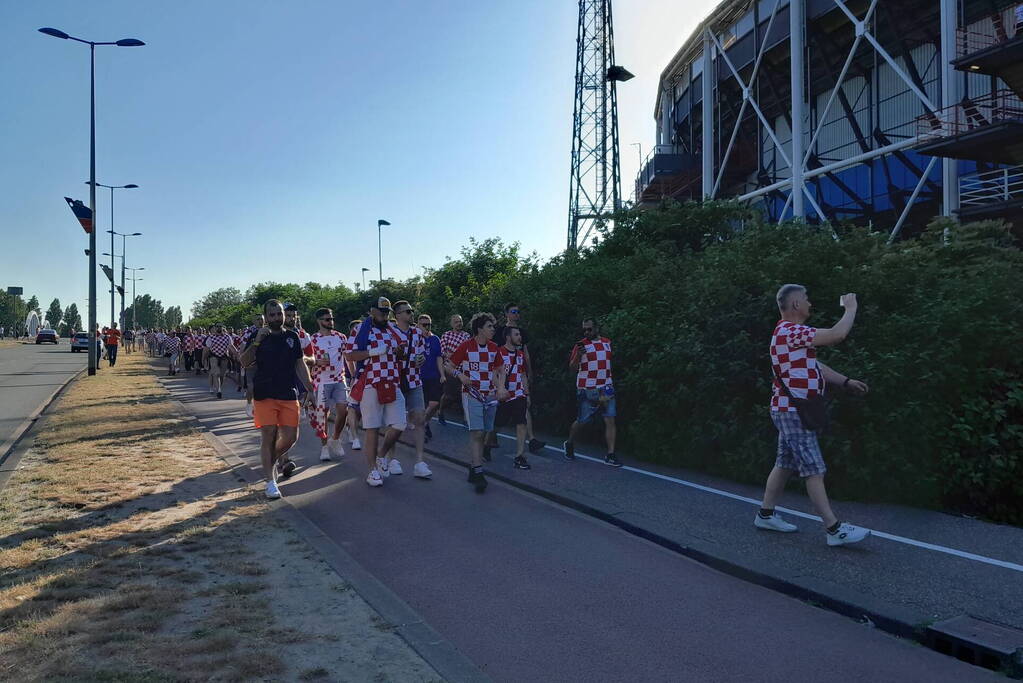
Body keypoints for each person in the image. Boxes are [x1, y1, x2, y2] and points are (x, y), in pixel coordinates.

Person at [754, 285, 871, 547]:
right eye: (806, 299)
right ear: (795, 305)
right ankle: (834, 529)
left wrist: (845, 381)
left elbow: (815, 365)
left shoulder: (787, 334)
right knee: (814, 469)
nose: (810, 303)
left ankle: (766, 514)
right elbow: (836, 335)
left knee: (784, 463)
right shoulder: (790, 330)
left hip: (788, 409)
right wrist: (851, 308)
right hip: (792, 411)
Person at [240, 299, 314, 500]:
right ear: (266, 317)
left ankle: (270, 461)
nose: (277, 318)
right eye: (272, 315)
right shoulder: (258, 335)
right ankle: (270, 482)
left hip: (288, 393)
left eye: (279, 314)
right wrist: (257, 342)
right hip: (265, 394)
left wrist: (310, 388)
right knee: (269, 435)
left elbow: (300, 364)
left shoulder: (292, 336)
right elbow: (244, 361)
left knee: (291, 437)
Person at [346, 297, 408, 488]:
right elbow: (349, 354)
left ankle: (382, 456)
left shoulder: (392, 329)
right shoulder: (359, 329)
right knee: (372, 428)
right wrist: (373, 352)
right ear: (372, 311)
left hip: (392, 382)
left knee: (400, 424)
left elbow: (401, 353)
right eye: (381, 311)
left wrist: (397, 352)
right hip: (370, 384)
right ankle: (372, 470)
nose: (384, 315)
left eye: (387, 312)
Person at [446, 312, 508, 493]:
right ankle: (479, 472)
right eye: (490, 326)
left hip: (489, 395)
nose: (493, 330)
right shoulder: (466, 346)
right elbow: (448, 365)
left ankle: (474, 466)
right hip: (471, 394)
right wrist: (461, 375)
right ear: (480, 329)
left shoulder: (494, 348)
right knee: (477, 432)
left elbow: (500, 369)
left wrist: (501, 387)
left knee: (485, 433)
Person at [382, 300, 432, 479]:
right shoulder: (388, 332)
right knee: (394, 422)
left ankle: (419, 462)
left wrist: (421, 360)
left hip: (414, 380)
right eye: (407, 311)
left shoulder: (417, 333)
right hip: (394, 381)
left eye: (411, 310)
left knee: (419, 418)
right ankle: (391, 458)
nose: (411, 314)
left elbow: (421, 354)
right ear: (397, 315)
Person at [563, 318, 621, 467]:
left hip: (606, 386)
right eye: (584, 330)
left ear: (596, 328)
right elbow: (572, 368)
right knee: (583, 420)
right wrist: (578, 355)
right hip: (587, 387)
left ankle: (611, 454)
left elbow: (608, 363)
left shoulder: (607, 343)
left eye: (589, 329)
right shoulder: (581, 345)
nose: (586, 332)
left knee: (610, 419)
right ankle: (569, 442)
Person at [493, 303, 545, 454]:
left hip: (518, 374)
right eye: (514, 312)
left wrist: (528, 371)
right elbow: (495, 352)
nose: (517, 314)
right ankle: (490, 437)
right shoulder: (501, 331)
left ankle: (531, 439)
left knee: (524, 406)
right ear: (506, 314)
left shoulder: (521, 332)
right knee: (501, 416)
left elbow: (525, 352)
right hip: (504, 376)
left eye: (518, 312)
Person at [306, 307, 349, 462]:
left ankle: (335, 439)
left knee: (343, 410)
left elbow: (348, 357)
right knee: (322, 415)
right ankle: (324, 447)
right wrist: (317, 362)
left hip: (339, 379)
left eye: (331, 318)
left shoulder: (341, 337)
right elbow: (305, 361)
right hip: (321, 381)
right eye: (326, 319)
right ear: (319, 321)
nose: (330, 321)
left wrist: (355, 375)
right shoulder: (313, 340)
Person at [491, 326, 532, 470]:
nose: (519, 337)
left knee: (522, 422)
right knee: (497, 425)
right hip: (504, 395)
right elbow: (493, 373)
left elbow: (522, 375)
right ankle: (486, 444)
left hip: (518, 393)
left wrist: (526, 394)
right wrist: (500, 389)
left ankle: (519, 456)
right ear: (508, 337)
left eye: (519, 334)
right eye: (516, 334)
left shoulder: (520, 354)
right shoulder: (498, 352)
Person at [438, 314, 470, 425]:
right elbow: (442, 352)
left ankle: (466, 419)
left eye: (460, 321)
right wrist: (452, 356)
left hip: (463, 369)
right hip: (450, 369)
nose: (459, 324)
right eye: (456, 322)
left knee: (465, 394)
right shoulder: (447, 335)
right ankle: (440, 412)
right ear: (452, 324)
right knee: (448, 395)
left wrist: (453, 354)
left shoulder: (466, 336)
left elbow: (468, 352)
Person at [417, 314, 445, 441]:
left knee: (435, 403)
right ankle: (422, 428)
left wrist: (442, 374)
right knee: (422, 405)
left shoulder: (435, 339)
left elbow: (439, 357)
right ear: (418, 325)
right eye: (424, 324)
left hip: (433, 375)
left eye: (429, 324)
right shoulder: (415, 338)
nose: (426, 327)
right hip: (419, 376)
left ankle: (423, 423)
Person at [240, 314, 265, 418]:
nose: (260, 321)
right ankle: (249, 403)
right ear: (254, 321)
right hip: (251, 364)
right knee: (251, 387)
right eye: (258, 319)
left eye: (262, 319)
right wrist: (243, 362)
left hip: (264, 364)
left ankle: (260, 408)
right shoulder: (248, 333)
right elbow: (243, 347)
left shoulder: (269, 331)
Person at [204, 324, 237, 399]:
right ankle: (219, 390)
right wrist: (204, 359)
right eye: (217, 327)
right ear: (215, 328)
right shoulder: (211, 338)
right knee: (216, 373)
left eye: (220, 326)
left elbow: (231, 347)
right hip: (214, 356)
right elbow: (206, 349)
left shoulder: (227, 337)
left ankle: (218, 387)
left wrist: (237, 354)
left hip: (224, 356)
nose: (219, 328)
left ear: (222, 328)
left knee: (222, 375)